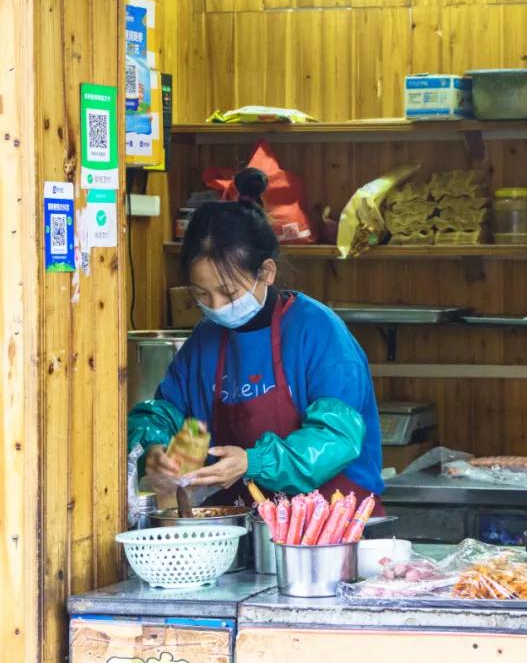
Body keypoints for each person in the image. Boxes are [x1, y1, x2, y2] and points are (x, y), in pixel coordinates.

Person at [128, 167, 383, 507]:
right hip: (241, 524)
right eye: (201, 295)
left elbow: (336, 438)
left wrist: (253, 462)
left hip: (330, 527)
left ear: (266, 272)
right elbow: (166, 413)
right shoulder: (205, 340)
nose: (216, 308)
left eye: (228, 293)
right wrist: (157, 449)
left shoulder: (319, 334)